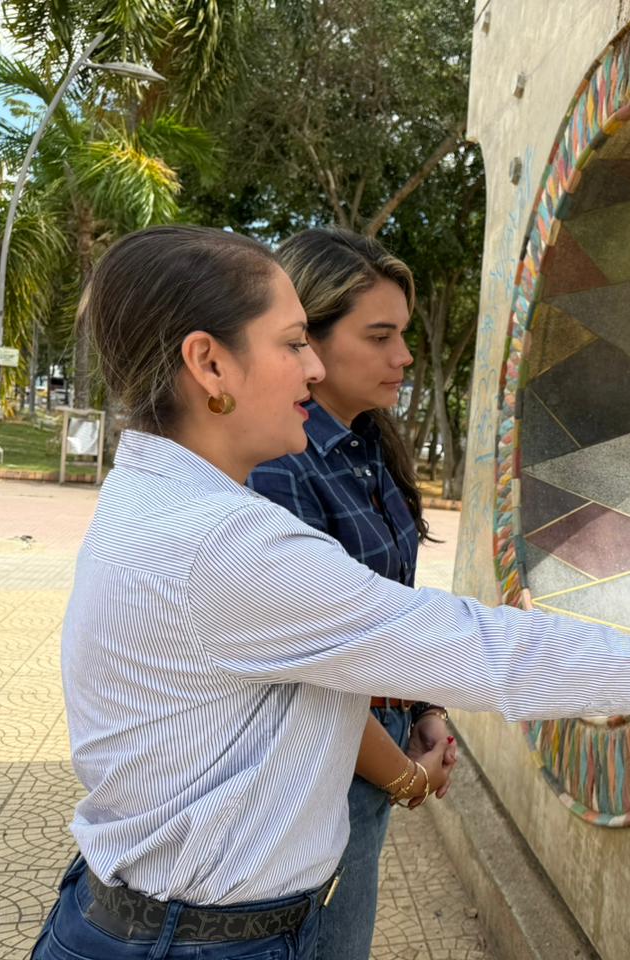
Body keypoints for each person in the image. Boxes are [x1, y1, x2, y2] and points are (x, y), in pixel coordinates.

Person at [34, 224, 630, 960]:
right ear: (208, 364)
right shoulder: (223, 543)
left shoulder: (161, 500)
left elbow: (398, 643)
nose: (311, 367)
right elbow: (472, 649)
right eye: (291, 343)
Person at [247, 228, 447, 960]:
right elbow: (309, 667)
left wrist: (426, 707)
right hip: (326, 765)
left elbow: (390, 611)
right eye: (380, 335)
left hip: (377, 749)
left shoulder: (367, 445)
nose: (404, 357)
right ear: (309, 339)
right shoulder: (279, 468)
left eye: (405, 335)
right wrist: (407, 779)